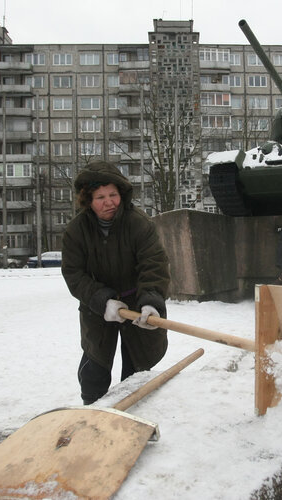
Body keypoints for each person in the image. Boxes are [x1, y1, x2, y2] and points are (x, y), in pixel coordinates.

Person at [61, 160, 170, 405]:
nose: (108, 202)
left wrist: (151, 300)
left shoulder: (139, 224)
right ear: (87, 200)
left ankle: (136, 414)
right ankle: (93, 412)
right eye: (100, 197)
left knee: (137, 370)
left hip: (136, 303)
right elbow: (73, 273)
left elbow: (154, 264)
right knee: (94, 368)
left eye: (113, 194)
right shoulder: (76, 231)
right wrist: (102, 301)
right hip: (97, 307)